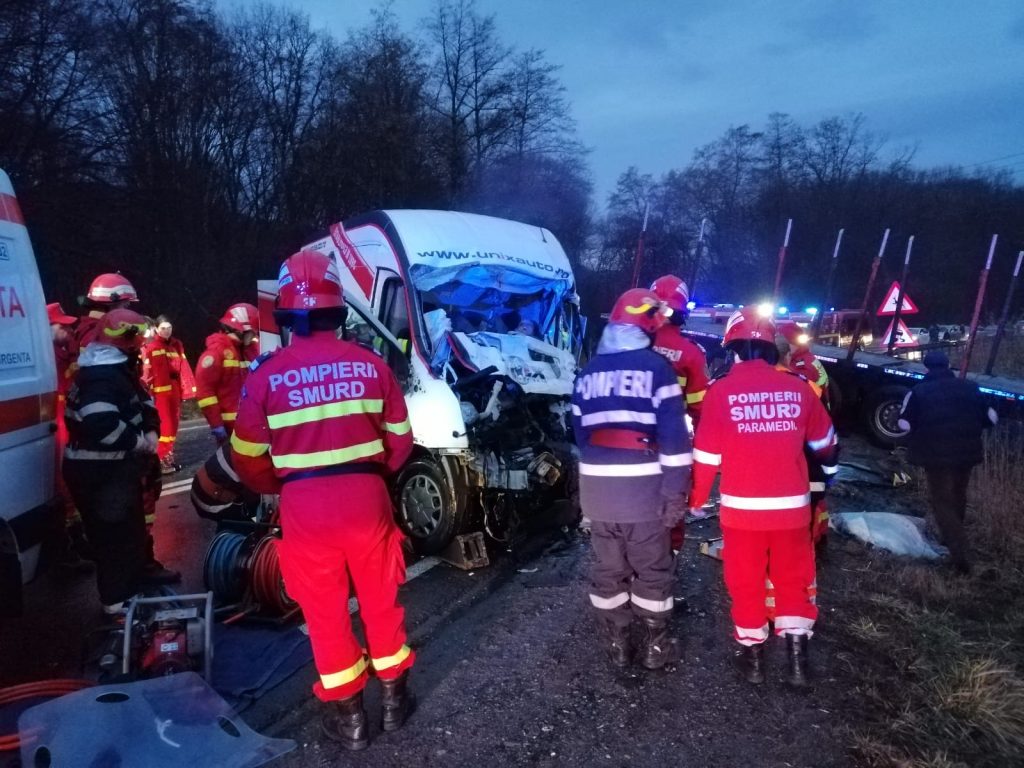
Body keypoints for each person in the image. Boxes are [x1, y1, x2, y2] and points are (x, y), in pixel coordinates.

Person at [231, 251, 415, 751]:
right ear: (339, 310)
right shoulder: (372, 365)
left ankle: (351, 721)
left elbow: (245, 457)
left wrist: (283, 485)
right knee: (381, 598)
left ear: (287, 313)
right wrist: (371, 476)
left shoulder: (266, 375)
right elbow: (401, 441)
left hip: (304, 507)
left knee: (325, 612)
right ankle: (396, 702)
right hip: (367, 498)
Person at [689, 308, 837, 688]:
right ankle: (798, 663)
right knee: (794, 579)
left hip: (741, 514)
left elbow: (706, 457)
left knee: (746, 582)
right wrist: (827, 478)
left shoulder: (720, 391)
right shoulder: (799, 388)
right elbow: (825, 444)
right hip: (792, 511)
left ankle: (754, 661)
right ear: (772, 349)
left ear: (733, 349)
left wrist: (696, 500)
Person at [572, 287, 692, 671]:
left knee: (608, 569)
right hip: (642, 494)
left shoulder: (587, 372)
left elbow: (579, 435)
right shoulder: (658, 370)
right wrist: (675, 494)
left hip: (597, 495)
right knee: (652, 569)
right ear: (648, 326)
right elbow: (675, 441)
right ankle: (657, 645)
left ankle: (618, 644)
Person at [62, 309, 161, 615]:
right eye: (136, 344)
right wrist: (139, 442)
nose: (139, 350)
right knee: (115, 540)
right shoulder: (101, 377)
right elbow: (101, 423)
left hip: (111, 471)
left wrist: (151, 428)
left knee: (127, 536)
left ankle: (128, 597)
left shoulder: (113, 372)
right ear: (124, 345)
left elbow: (144, 404)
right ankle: (118, 605)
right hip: (101, 473)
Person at [897, 351, 997, 574]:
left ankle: (961, 558)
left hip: (935, 456)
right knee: (959, 494)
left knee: (942, 501)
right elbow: (990, 418)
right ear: (949, 365)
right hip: (967, 454)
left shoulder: (918, 391)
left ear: (926, 368)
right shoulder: (971, 387)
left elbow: (904, 423)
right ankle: (951, 536)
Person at [649, 275, 709, 427]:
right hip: (668, 437)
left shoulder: (629, 342)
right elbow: (700, 409)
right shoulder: (691, 353)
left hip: (622, 437)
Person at [195, 303, 259, 445]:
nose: (255, 335)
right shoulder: (216, 353)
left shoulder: (250, 350)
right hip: (230, 428)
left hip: (253, 424)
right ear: (241, 330)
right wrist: (216, 424)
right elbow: (205, 393)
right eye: (253, 332)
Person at [142, 315, 195, 473]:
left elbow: (183, 368)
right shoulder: (151, 346)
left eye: (169, 327)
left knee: (173, 427)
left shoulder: (177, 345)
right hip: (159, 393)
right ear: (157, 329)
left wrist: (187, 389)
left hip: (174, 390)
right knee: (165, 427)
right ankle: (161, 460)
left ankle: (167, 458)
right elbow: (146, 371)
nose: (166, 331)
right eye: (163, 328)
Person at [75, 273, 139, 348]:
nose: (125, 312)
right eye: (125, 306)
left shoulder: (95, 329)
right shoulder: (94, 335)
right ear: (109, 304)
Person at [777, 322, 829, 396]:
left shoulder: (801, 368)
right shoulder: (804, 356)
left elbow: (797, 396)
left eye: (782, 344)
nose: (777, 346)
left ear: (793, 343)